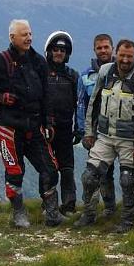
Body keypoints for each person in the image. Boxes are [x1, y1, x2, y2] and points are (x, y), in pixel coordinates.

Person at [0, 19, 61, 228]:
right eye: (24, 34)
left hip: (35, 125)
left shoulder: (39, 61)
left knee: (50, 168)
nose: (29, 37)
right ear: (12, 37)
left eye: (30, 33)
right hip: (8, 126)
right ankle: (19, 214)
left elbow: (46, 94)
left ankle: (51, 212)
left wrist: (49, 123)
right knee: (14, 172)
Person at [76, 39, 134, 233]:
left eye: (129, 56)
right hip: (104, 136)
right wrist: (89, 131)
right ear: (116, 54)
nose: (125, 60)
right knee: (89, 177)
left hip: (130, 140)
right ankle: (88, 214)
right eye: (122, 55)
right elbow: (93, 104)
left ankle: (127, 220)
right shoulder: (105, 72)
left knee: (128, 180)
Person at [76, 33, 117, 217]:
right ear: (94, 50)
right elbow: (81, 104)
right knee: (98, 173)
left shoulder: (124, 71)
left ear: (112, 48)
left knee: (129, 174)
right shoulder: (86, 76)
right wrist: (84, 132)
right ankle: (101, 210)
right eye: (99, 48)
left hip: (124, 133)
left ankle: (133, 211)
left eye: (106, 47)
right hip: (98, 134)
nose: (103, 50)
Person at [44, 30, 80, 216]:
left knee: (67, 168)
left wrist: (79, 127)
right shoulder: (40, 72)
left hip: (65, 129)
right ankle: (48, 206)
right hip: (44, 129)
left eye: (63, 50)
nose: (59, 53)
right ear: (49, 50)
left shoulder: (72, 76)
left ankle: (69, 205)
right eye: (56, 49)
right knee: (48, 168)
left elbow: (78, 103)